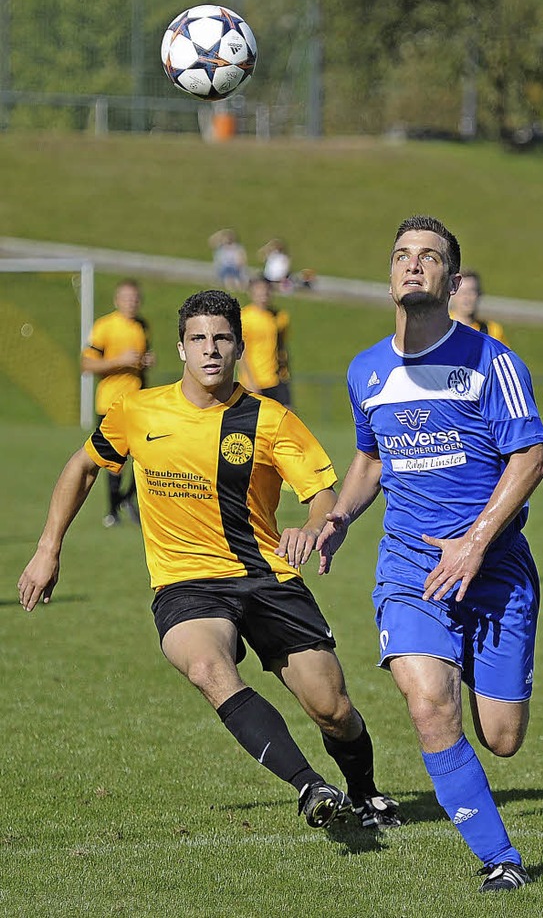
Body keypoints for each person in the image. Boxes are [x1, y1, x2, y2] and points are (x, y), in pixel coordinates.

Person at [18, 289, 400, 833]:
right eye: (198, 338)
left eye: (222, 338)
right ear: (180, 347)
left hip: (266, 578)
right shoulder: (138, 410)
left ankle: (364, 793)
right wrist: (47, 548)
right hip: (185, 584)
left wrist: (313, 528)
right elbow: (82, 467)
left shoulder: (269, 419)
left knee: (332, 708)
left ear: (239, 346)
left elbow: (321, 495)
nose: (210, 349)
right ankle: (310, 786)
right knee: (206, 668)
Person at [316, 216, 543, 891]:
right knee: (428, 704)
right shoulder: (366, 369)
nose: (413, 265)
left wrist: (476, 542)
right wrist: (339, 515)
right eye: (402, 256)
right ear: (391, 276)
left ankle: (475, 652)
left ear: (451, 279)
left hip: (495, 569)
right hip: (410, 568)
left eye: (429, 257)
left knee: (501, 736)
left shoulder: (492, 362)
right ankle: (501, 859)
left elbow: (530, 456)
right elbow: (369, 458)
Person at [81, 278, 155, 527]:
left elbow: (139, 364)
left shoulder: (142, 326)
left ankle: (125, 500)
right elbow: (87, 364)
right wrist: (119, 361)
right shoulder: (105, 326)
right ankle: (112, 510)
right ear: (117, 301)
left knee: (147, 455)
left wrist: (145, 362)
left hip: (138, 401)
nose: (131, 303)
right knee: (113, 461)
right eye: (126, 298)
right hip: (110, 401)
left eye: (135, 298)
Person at [238, 276, 292, 408]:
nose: (263, 295)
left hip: (278, 379)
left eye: (266, 290)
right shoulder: (244, 318)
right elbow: (240, 353)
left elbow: (282, 346)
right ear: (251, 292)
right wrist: (251, 381)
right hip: (255, 380)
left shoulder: (280, 317)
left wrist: (285, 371)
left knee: (287, 417)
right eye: (259, 290)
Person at [448, 269, 509, 345]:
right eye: (462, 292)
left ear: (480, 294)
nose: (466, 297)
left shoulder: (493, 331)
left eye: (471, 291)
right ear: (451, 293)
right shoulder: (439, 326)